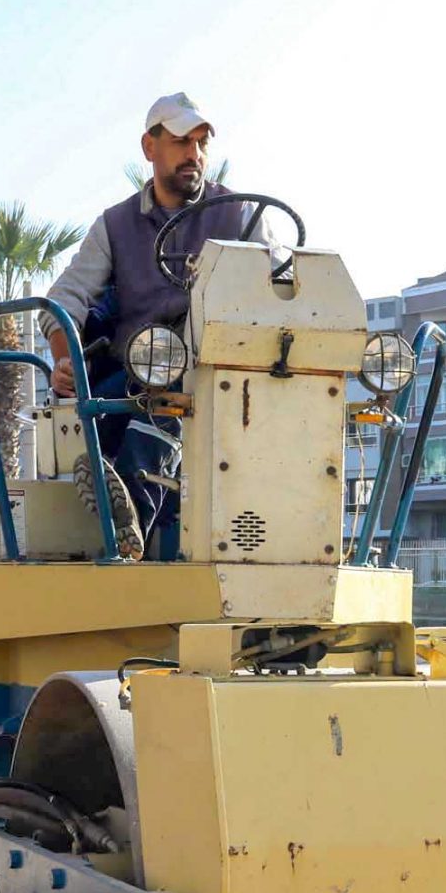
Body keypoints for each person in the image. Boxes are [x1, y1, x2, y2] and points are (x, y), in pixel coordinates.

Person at [42, 92, 266, 561]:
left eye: (202, 143)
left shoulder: (241, 215)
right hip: (137, 368)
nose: (195, 154)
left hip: (219, 373)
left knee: (167, 396)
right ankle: (111, 492)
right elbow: (64, 298)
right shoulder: (114, 226)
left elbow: (279, 283)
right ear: (150, 147)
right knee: (107, 403)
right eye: (183, 141)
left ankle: (130, 521)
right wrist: (64, 358)